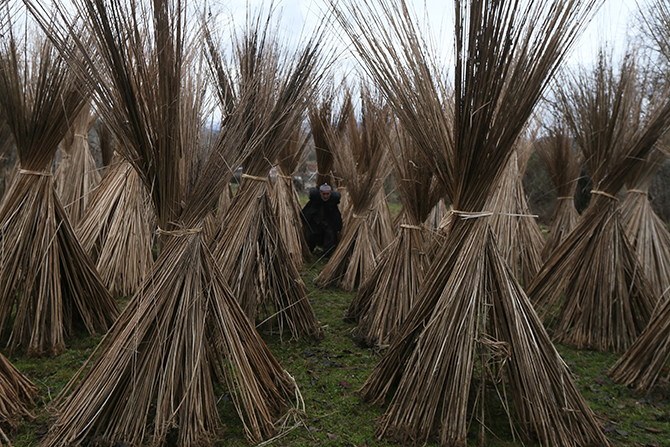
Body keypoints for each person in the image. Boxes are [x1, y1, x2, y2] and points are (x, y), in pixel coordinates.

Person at [300, 183, 342, 260]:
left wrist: (338, 226)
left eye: (327, 194)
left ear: (330, 193)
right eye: (324, 194)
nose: (325, 196)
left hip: (327, 223)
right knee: (310, 236)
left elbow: (336, 215)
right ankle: (308, 252)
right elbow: (306, 211)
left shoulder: (333, 200)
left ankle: (326, 255)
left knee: (330, 236)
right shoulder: (314, 200)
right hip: (315, 222)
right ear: (320, 193)